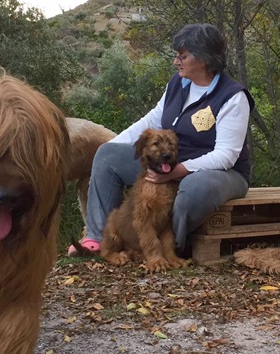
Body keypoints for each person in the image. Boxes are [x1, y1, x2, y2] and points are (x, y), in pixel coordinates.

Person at [70, 23, 254, 257]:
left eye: (183, 56)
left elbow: (226, 155)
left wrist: (178, 171)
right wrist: (118, 143)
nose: (176, 61)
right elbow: (153, 119)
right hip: (171, 161)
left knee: (193, 189)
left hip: (223, 173)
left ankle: (173, 247)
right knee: (107, 155)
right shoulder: (178, 83)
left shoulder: (233, 97)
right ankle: (98, 240)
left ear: (205, 59)